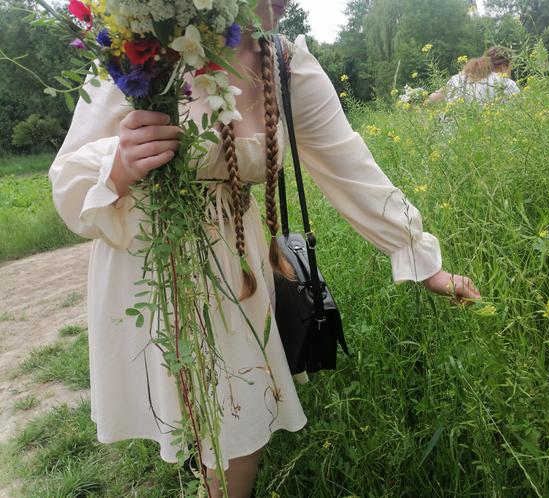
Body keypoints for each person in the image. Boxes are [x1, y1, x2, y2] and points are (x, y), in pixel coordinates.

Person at [49, 1, 481, 496]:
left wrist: (419, 258)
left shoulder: (286, 63)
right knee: (191, 407)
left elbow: (350, 166)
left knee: (240, 417)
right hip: (146, 259)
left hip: (237, 266)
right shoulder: (148, 43)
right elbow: (68, 179)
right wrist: (119, 165)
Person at [427, 46, 520, 105]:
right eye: (511, 68)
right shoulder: (507, 84)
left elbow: (432, 99)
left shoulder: (458, 78)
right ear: (503, 67)